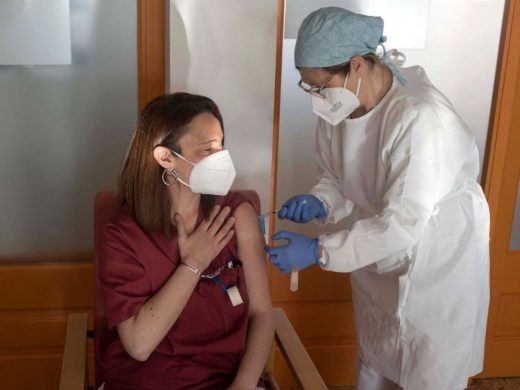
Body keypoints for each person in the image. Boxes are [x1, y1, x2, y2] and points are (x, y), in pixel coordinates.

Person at [266, 7, 490, 390]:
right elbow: (334, 176)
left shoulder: (419, 119)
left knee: (426, 369)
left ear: (357, 65)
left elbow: (404, 223)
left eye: (320, 87)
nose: (317, 99)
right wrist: (321, 201)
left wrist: (319, 250)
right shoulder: (341, 107)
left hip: (435, 263)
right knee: (377, 359)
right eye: (309, 88)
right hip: (379, 257)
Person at [99, 92, 274, 390]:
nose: (221, 158)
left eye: (222, 145)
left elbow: (262, 314)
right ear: (166, 157)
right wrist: (193, 264)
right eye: (208, 149)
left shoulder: (236, 215)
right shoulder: (122, 235)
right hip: (145, 382)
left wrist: (242, 386)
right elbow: (139, 345)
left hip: (225, 381)